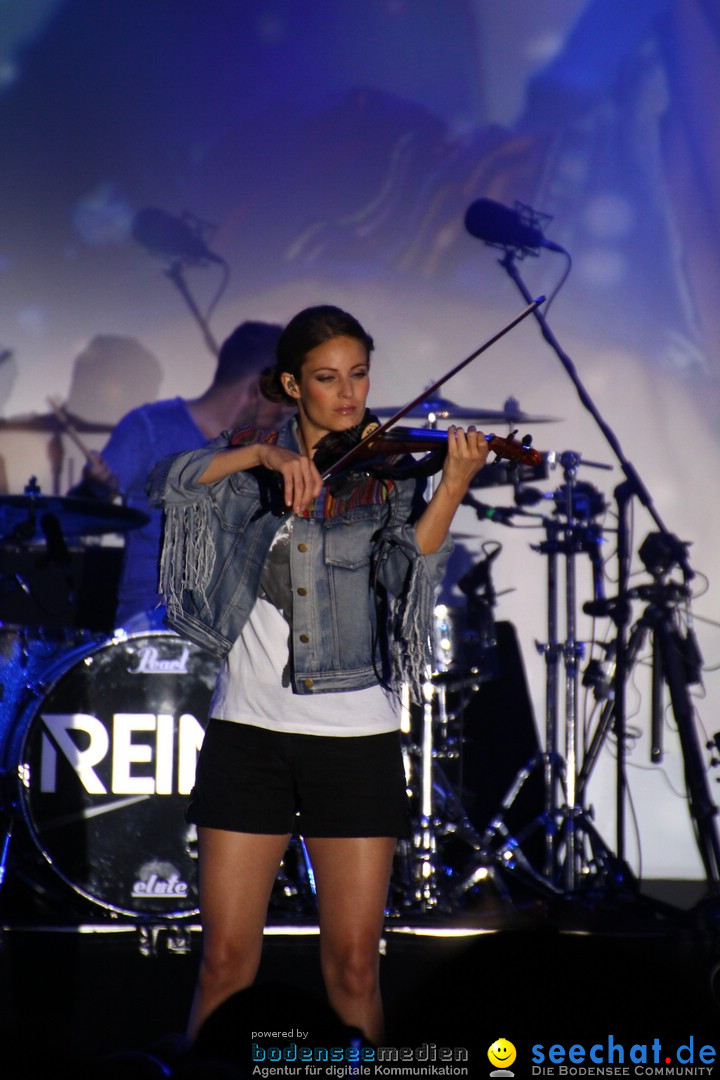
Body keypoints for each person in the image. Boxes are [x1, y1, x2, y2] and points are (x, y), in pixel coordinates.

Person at [146, 304, 489, 1044]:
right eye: (328, 378)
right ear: (292, 385)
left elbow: (404, 570)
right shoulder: (247, 461)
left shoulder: (388, 469)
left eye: (359, 375)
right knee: (226, 961)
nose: (348, 394)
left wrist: (453, 485)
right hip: (249, 733)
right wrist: (264, 459)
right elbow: (166, 483)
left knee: (354, 969)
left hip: (354, 739)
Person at [71, 321, 285, 627]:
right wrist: (95, 490)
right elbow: (78, 515)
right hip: (154, 624)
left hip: (236, 631)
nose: (289, 409)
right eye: (284, 397)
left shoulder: (273, 448)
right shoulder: (148, 428)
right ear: (255, 390)